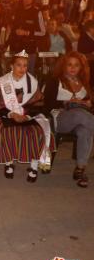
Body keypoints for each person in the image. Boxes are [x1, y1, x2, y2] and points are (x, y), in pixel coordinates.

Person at [0, 50, 53, 182]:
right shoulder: (2, 82)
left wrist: (26, 116)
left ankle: (34, 167)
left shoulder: (33, 83)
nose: (22, 68)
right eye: (19, 65)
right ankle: (9, 163)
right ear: (11, 66)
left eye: (25, 65)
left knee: (37, 132)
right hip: (7, 116)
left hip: (28, 117)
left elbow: (38, 104)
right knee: (8, 132)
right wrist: (11, 113)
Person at [44, 51, 94, 188]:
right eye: (69, 65)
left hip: (81, 119)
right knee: (79, 113)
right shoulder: (55, 81)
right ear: (64, 66)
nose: (73, 68)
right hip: (59, 119)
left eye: (76, 65)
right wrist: (66, 102)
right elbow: (46, 104)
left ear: (81, 67)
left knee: (85, 130)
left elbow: (90, 107)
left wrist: (88, 103)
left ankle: (80, 168)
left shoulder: (84, 82)